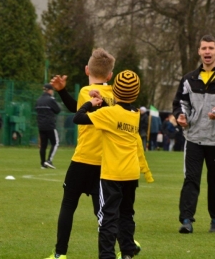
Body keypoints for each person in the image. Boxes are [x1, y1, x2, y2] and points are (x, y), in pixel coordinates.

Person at [44, 49, 153, 259]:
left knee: (68, 205)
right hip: (105, 163)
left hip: (83, 159)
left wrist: (62, 91)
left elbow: (78, 112)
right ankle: (126, 244)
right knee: (105, 211)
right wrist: (64, 92)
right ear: (111, 76)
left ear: (87, 70)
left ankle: (60, 254)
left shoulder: (88, 91)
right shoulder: (118, 95)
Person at [73, 70, 146, 259]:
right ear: (136, 93)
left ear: (115, 91)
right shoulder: (136, 114)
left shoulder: (109, 113)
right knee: (127, 214)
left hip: (113, 173)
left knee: (108, 217)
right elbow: (116, 113)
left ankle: (107, 256)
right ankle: (128, 253)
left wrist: (91, 103)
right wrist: (103, 103)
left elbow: (78, 117)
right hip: (131, 172)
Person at [173, 34, 215, 234]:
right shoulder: (189, 79)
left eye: (211, 48)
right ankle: (186, 220)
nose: (207, 52)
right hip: (193, 138)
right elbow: (180, 103)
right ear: (199, 52)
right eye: (204, 48)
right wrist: (181, 116)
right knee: (191, 179)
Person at [35, 84, 61, 169]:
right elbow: (57, 110)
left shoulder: (38, 100)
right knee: (55, 143)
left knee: (43, 145)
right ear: (50, 90)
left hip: (41, 125)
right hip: (50, 125)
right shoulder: (50, 100)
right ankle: (49, 160)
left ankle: (42, 164)